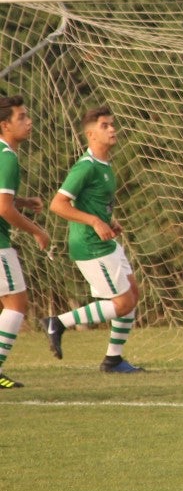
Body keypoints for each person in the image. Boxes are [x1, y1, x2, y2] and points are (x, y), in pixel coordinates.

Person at [43, 105, 145, 373]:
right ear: (90, 134)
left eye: (112, 124)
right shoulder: (85, 167)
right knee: (122, 303)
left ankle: (113, 359)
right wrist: (95, 221)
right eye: (104, 126)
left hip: (104, 240)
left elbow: (93, 203)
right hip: (89, 244)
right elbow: (58, 204)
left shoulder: (105, 164)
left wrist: (108, 220)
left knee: (132, 294)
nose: (112, 129)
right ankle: (58, 322)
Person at [0, 95, 51, 389]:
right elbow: (3, 209)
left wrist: (21, 200)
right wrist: (36, 231)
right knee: (17, 305)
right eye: (21, 117)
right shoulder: (7, 157)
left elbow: (5, 201)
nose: (29, 121)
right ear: (5, 125)